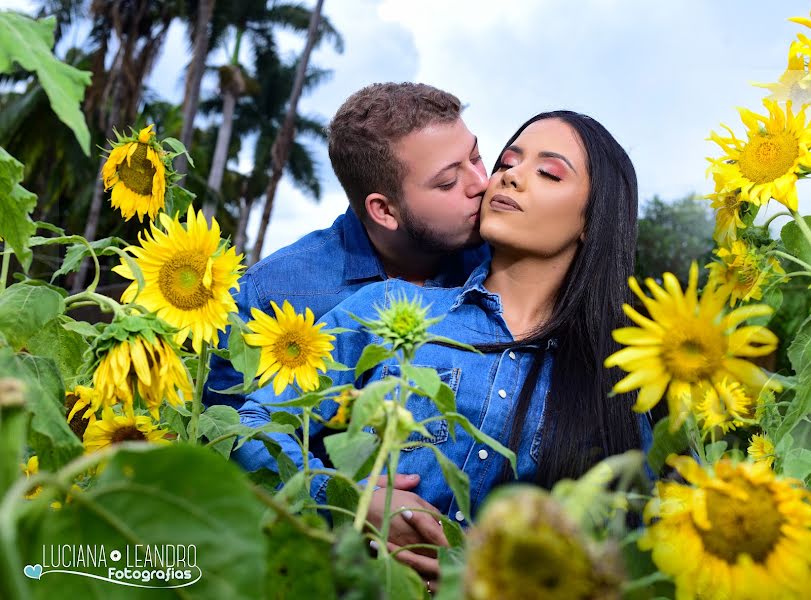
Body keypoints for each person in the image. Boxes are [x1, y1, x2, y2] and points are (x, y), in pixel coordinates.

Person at [234, 111, 652, 588]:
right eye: (508, 161)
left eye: (548, 172)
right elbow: (254, 427)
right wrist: (346, 498)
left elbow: (643, 548)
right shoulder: (389, 306)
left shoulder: (616, 378)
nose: (510, 175)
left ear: (592, 220)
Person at [204, 82, 490, 410]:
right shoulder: (270, 294)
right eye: (448, 182)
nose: (481, 183)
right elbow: (234, 437)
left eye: (476, 157)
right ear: (383, 210)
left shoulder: (502, 260)